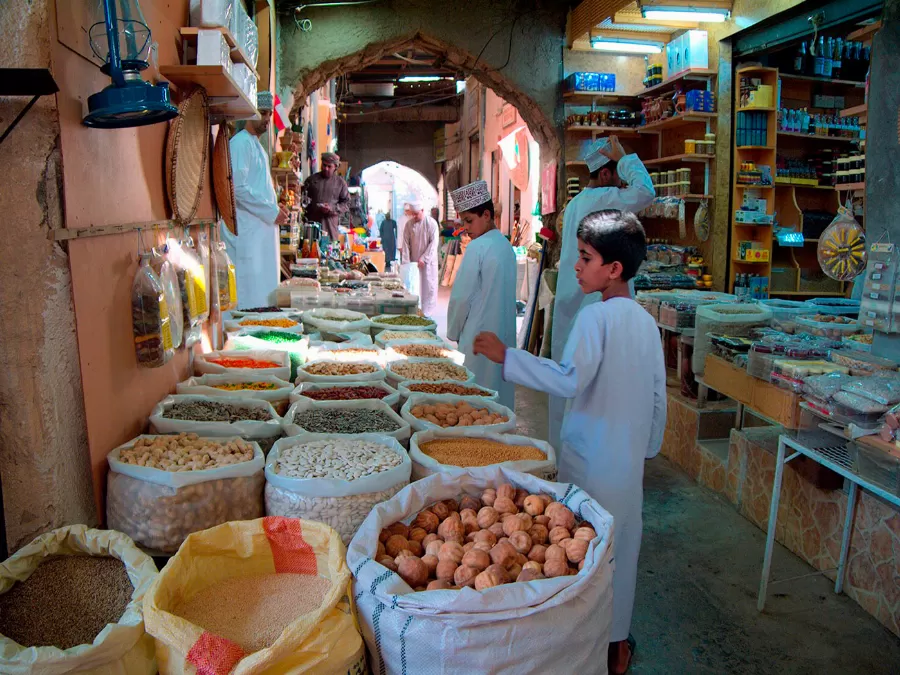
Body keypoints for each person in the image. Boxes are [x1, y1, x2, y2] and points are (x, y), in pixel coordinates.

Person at [473, 209, 666, 675]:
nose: (575, 266)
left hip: (591, 462)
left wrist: (507, 356)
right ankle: (616, 647)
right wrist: (645, 449)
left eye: (585, 257)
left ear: (614, 269)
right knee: (621, 554)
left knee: (585, 551)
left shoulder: (594, 318)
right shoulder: (646, 323)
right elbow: (658, 397)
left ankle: (584, 647)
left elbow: (568, 379)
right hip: (626, 467)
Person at [548, 135, 655, 452]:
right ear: (607, 174)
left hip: (575, 300)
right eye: (618, 174)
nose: (622, 183)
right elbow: (646, 191)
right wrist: (626, 159)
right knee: (599, 388)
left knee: (571, 380)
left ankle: (563, 454)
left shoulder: (577, 203)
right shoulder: (607, 199)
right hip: (598, 302)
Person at [446, 180, 517, 409]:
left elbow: (461, 298)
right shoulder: (506, 246)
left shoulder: (478, 247)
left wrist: (453, 331)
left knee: (474, 403)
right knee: (498, 402)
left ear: (486, 215)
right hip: (502, 338)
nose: (466, 228)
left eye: (469, 221)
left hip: (477, 337)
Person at [223, 91, 288, 310]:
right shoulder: (240, 143)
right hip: (247, 235)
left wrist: (275, 207)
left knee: (261, 298)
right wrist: (271, 212)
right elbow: (238, 188)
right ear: (250, 112)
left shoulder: (257, 147)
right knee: (249, 297)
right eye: (263, 112)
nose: (267, 118)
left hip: (259, 237)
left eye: (269, 113)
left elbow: (257, 188)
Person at [400, 201, 440, 316]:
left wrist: (424, 258)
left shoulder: (431, 224)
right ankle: (415, 313)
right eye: (412, 214)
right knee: (414, 288)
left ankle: (427, 315)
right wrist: (406, 263)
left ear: (422, 211)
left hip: (428, 264)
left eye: (416, 214)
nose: (414, 216)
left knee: (428, 289)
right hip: (414, 265)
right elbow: (405, 244)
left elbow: (434, 243)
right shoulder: (409, 225)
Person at [303, 152, 350, 240]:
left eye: (329, 166)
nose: (326, 168)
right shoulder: (311, 180)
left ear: (335, 167)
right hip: (311, 225)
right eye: (324, 165)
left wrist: (331, 208)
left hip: (330, 227)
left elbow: (346, 203)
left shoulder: (340, 183)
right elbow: (302, 200)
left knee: (329, 246)